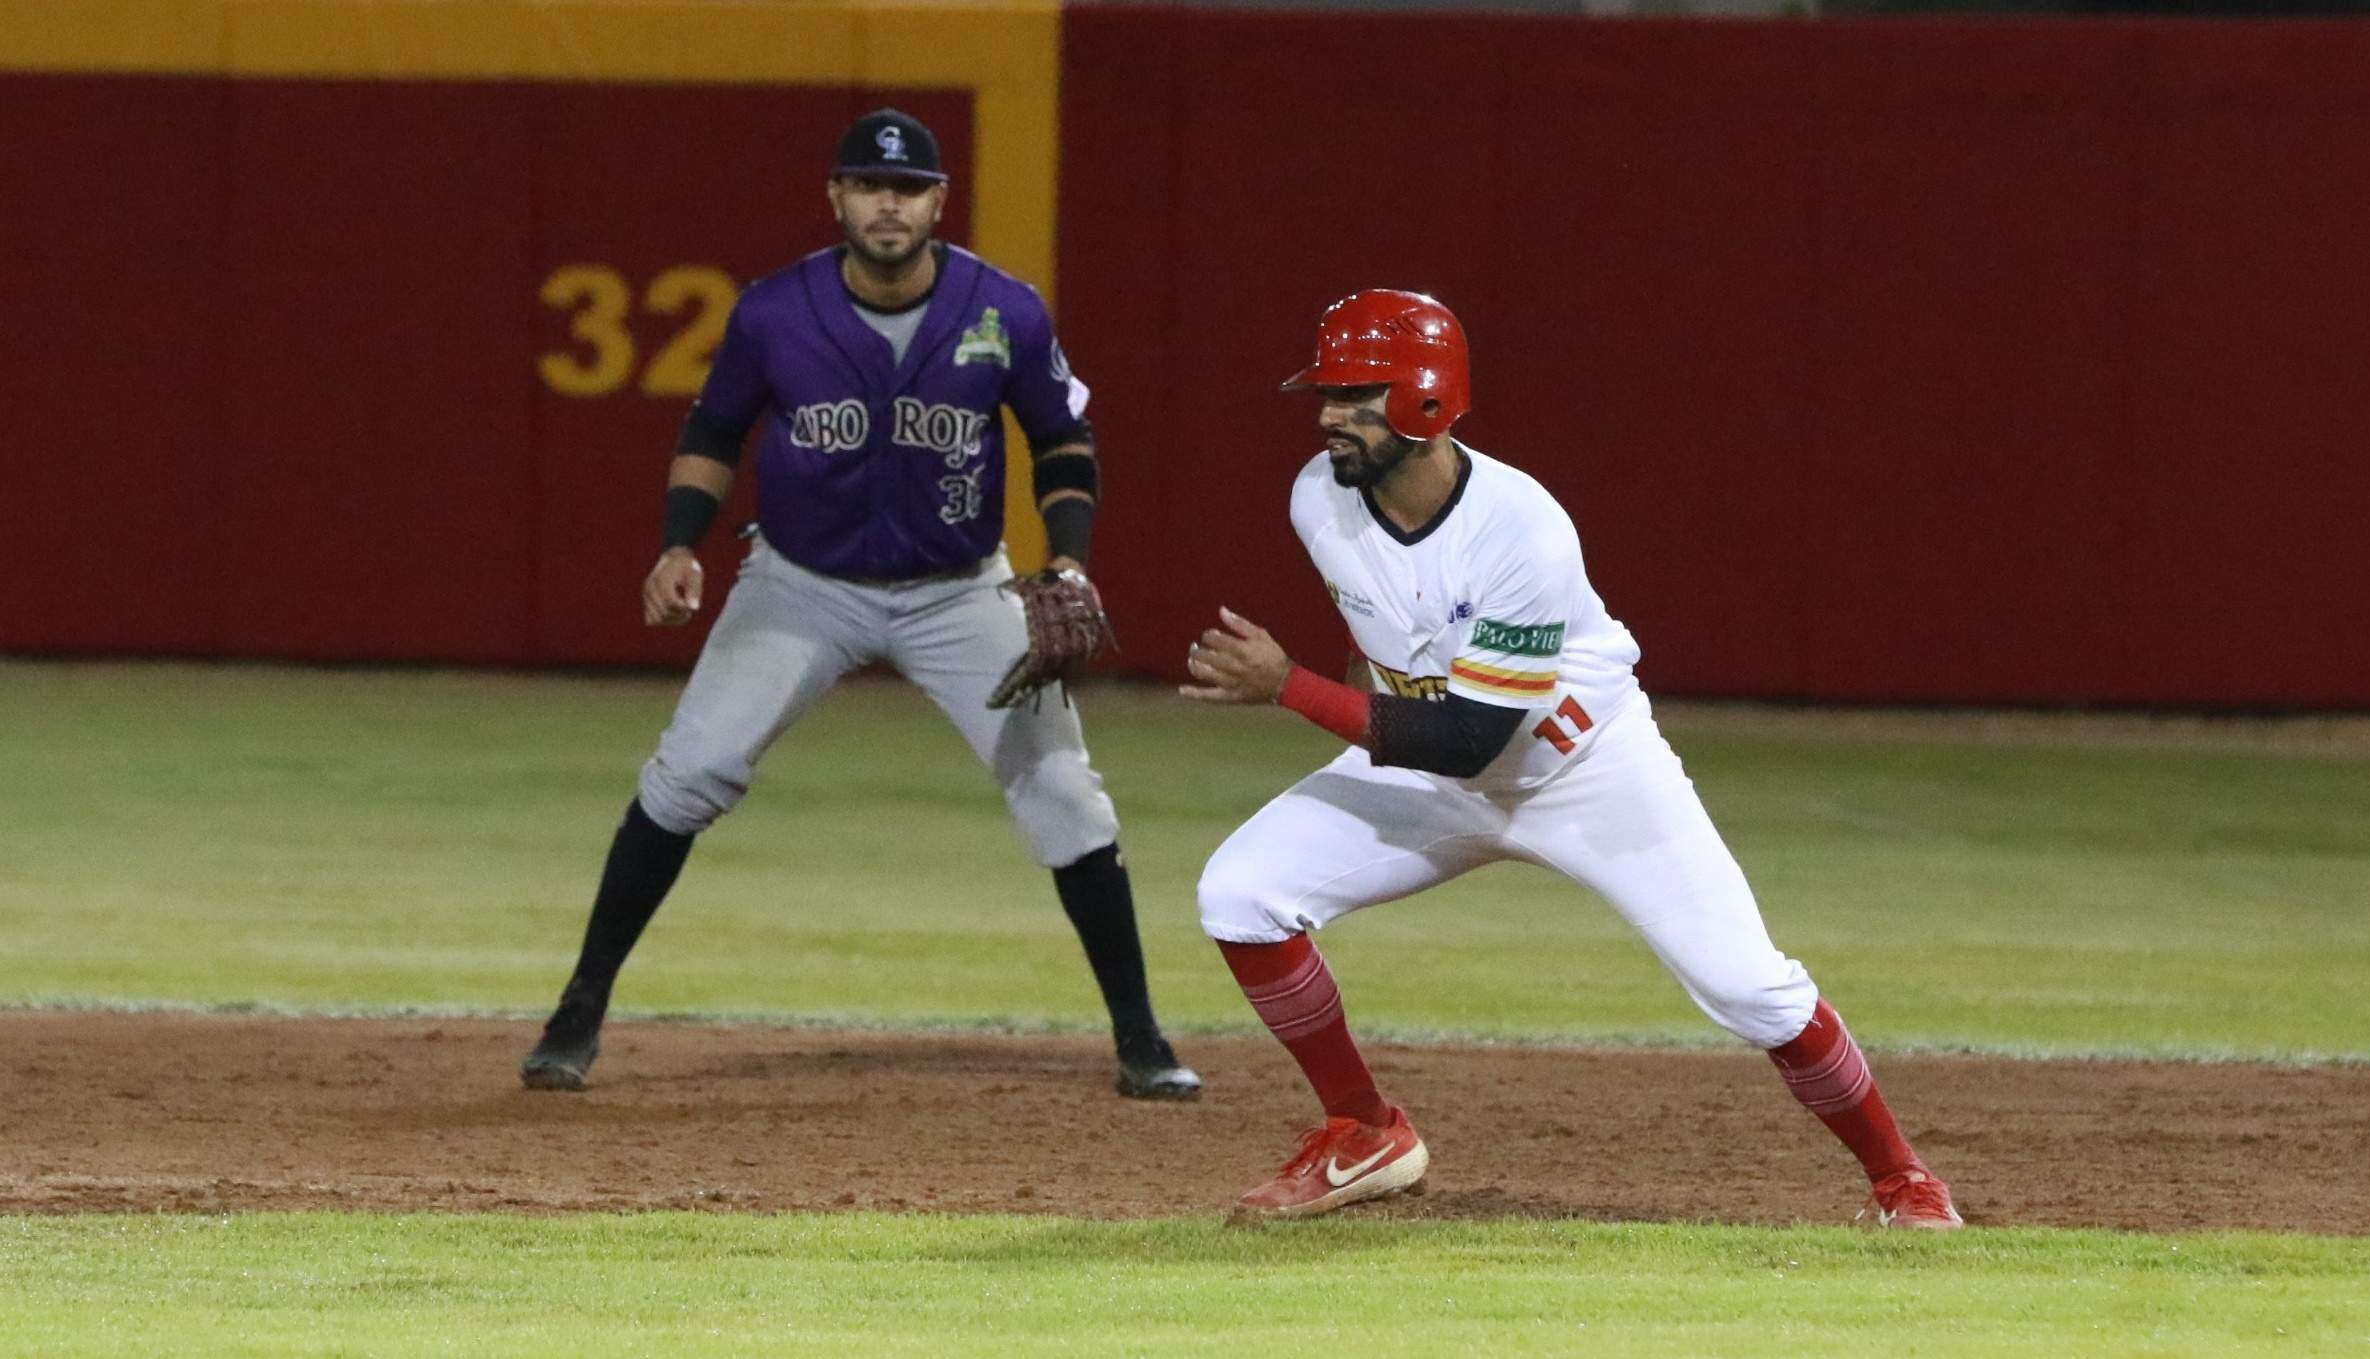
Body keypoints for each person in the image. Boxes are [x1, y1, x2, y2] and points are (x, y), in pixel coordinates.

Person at [1179, 289, 1959, 1223]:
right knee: (1240, 894)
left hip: (1581, 767)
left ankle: (1900, 1177)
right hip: (1434, 770)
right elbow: (1388, 644)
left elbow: (1475, 739)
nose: (1327, 416)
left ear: (1426, 401)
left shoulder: (1521, 525)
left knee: (1749, 987)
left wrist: (1288, 687)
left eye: (1355, 395)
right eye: (1326, 393)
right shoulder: (1319, 494)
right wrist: (1354, 692)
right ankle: (1363, 1129)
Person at [519, 108, 1198, 1102]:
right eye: (868, 185)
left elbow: (1061, 442)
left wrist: (1070, 561)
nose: (888, 202)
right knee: (689, 771)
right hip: (801, 586)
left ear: (936, 202)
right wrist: (677, 543)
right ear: (836, 197)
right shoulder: (772, 312)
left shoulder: (1004, 309)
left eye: (907, 187)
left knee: (1064, 794)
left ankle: (1140, 1037)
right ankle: (579, 1007)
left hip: (959, 591)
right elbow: (714, 430)